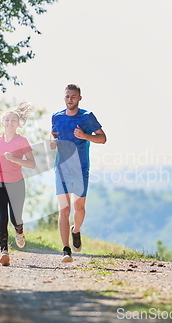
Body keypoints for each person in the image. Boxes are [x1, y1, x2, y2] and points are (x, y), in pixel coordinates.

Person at [50, 84, 107, 262]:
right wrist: (53, 142)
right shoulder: (56, 117)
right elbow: (54, 134)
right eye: (67, 96)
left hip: (81, 169)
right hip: (61, 169)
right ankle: (66, 250)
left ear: (79, 98)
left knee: (79, 208)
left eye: (73, 96)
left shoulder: (87, 117)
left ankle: (76, 231)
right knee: (64, 210)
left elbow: (103, 138)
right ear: (64, 97)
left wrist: (85, 136)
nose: (70, 99)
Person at [0, 103, 36, 266]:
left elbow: (31, 164)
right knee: (2, 218)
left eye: (13, 120)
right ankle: (4, 251)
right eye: (7, 120)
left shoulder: (22, 141)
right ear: (2, 123)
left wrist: (14, 159)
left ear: (18, 123)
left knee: (16, 218)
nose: (10, 123)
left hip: (16, 183)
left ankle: (19, 231)